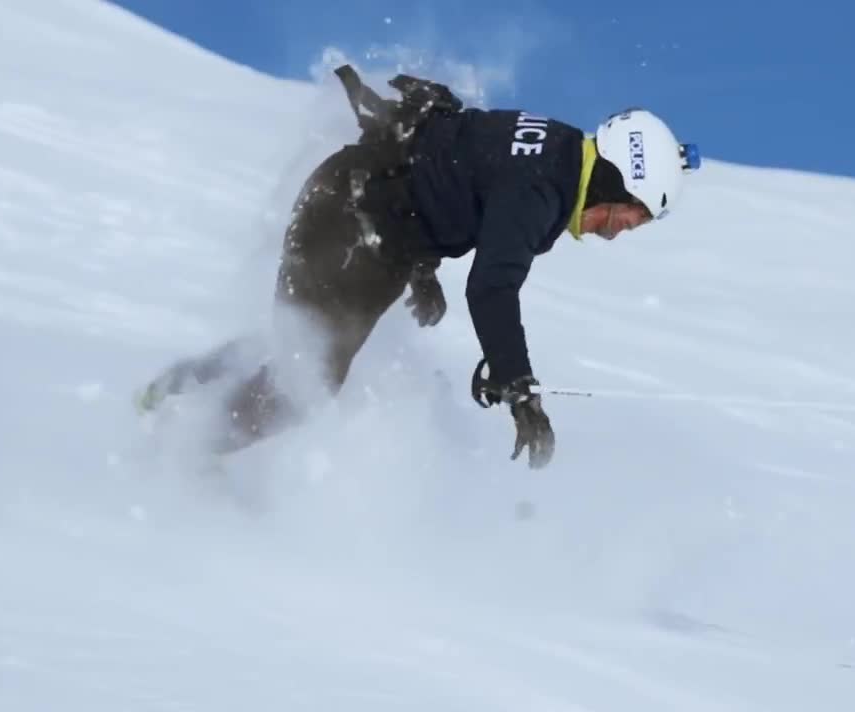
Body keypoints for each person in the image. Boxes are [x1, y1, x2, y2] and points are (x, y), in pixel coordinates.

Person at [136, 65, 701, 469]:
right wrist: (518, 387)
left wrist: (423, 268)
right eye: (630, 215)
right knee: (306, 381)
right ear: (616, 180)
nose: (618, 230)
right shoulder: (542, 189)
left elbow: (451, 170)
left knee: (298, 346)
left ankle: (175, 394)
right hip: (351, 225)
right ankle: (178, 454)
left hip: (361, 216)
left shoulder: (555, 149)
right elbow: (493, 286)